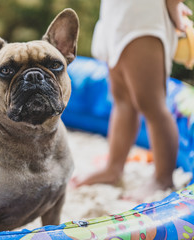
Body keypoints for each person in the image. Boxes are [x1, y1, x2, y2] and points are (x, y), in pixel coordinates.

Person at [71, 0, 192, 198]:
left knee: (152, 104)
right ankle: (113, 167)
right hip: (117, 15)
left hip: (142, 19)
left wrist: (173, 4)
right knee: (121, 98)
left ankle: (163, 178)